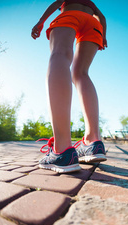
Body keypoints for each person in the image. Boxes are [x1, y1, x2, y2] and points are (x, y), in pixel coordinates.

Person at [31, 0, 107, 173]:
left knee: (60, 55)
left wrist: (41, 21)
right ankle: (93, 142)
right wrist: (104, 35)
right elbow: (101, 16)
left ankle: (62, 149)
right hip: (94, 24)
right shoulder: (90, 3)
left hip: (70, 16)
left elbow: (55, 3)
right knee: (81, 73)